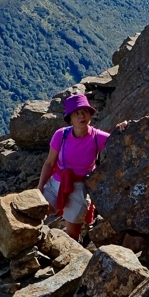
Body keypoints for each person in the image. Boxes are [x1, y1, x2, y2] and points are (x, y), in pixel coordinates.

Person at [38, 92, 110, 240]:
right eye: (77, 113)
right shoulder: (61, 135)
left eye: (85, 112)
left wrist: (124, 127)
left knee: (72, 235)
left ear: (90, 115)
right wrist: (39, 189)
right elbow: (49, 163)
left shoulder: (97, 137)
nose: (81, 116)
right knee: (36, 210)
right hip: (56, 183)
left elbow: (120, 139)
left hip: (79, 187)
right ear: (70, 119)